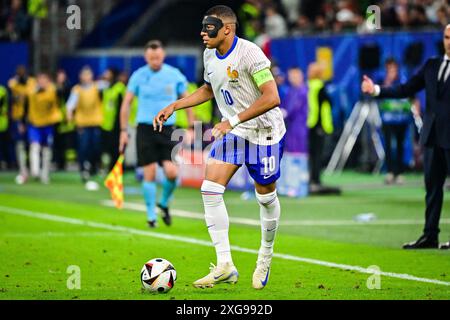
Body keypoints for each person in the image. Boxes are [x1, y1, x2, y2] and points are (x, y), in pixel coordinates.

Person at [154, 5, 285, 290]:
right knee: (209, 189)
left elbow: (272, 96)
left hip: (265, 133)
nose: (203, 33)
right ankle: (225, 264)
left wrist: (232, 120)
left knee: (265, 197)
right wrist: (175, 105)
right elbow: (208, 88)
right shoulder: (209, 54)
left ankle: (265, 254)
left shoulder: (250, 53)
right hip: (236, 133)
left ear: (227, 29)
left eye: (209, 27)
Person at [361, 24, 450, 250]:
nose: (449, 41)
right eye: (447, 37)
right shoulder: (431, 65)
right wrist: (377, 90)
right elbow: (405, 89)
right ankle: (430, 235)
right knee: (432, 187)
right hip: (432, 137)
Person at [119, 40, 189, 228]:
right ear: (146, 57)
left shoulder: (173, 75)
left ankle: (164, 203)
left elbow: (189, 100)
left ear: (163, 55)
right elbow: (126, 103)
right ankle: (151, 216)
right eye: (151, 57)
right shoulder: (138, 75)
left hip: (168, 129)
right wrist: (123, 131)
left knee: (172, 172)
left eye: (157, 57)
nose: (155, 60)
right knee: (149, 173)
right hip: (145, 128)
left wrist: (191, 127)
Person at [377, 58, 413, 185]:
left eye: (394, 67)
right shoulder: (383, 80)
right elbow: (379, 94)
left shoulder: (403, 80)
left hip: (401, 118)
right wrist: (388, 81)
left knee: (399, 145)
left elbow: (410, 95)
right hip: (387, 118)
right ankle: (390, 172)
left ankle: (399, 173)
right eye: (389, 68)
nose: (392, 70)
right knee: (388, 145)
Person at [66, 66, 103, 186]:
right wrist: (69, 115)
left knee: (96, 147)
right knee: (83, 147)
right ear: (80, 77)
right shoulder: (77, 90)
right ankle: (83, 169)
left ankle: (94, 167)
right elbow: (70, 105)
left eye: (88, 75)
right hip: (83, 123)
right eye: (84, 75)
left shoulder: (97, 87)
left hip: (96, 122)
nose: (86, 77)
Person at [26, 72, 61, 184]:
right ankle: (35, 171)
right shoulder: (32, 91)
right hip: (35, 123)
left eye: (44, 80)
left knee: (47, 150)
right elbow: (25, 102)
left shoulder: (52, 91)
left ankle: (45, 173)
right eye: (40, 80)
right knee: (35, 146)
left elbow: (60, 96)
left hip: (48, 124)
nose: (42, 83)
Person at [306, 62, 334, 192]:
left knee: (311, 155)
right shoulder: (321, 88)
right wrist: (325, 127)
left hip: (308, 125)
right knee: (317, 155)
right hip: (318, 126)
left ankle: (312, 179)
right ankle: (315, 180)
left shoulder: (307, 86)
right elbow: (324, 109)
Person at [8, 65, 36, 184]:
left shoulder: (31, 83)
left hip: (31, 118)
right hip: (17, 117)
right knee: (19, 145)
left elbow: (30, 99)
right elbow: (12, 101)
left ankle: (33, 170)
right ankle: (23, 170)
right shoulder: (13, 84)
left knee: (32, 145)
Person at [100, 67, 126, 172]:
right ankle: (108, 168)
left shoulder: (119, 88)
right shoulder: (106, 88)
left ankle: (117, 169)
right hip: (105, 124)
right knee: (107, 149)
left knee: (116, 148)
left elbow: (121, 107)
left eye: (107, 73)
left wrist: (119, 125)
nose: (105, 75)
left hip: (116, 125)